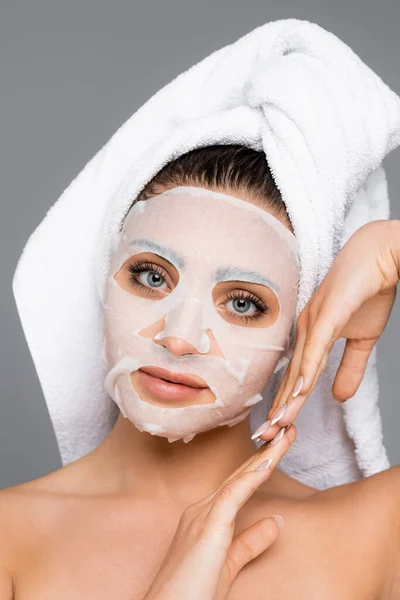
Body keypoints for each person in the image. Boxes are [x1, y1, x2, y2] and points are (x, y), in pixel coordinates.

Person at [0, 145, 399, 600]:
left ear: (296, 337)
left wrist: (389, 250)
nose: (179, 338)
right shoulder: (9, 538)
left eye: (243, 303)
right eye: (152, 277)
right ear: (103, 281)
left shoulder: (379, 530)